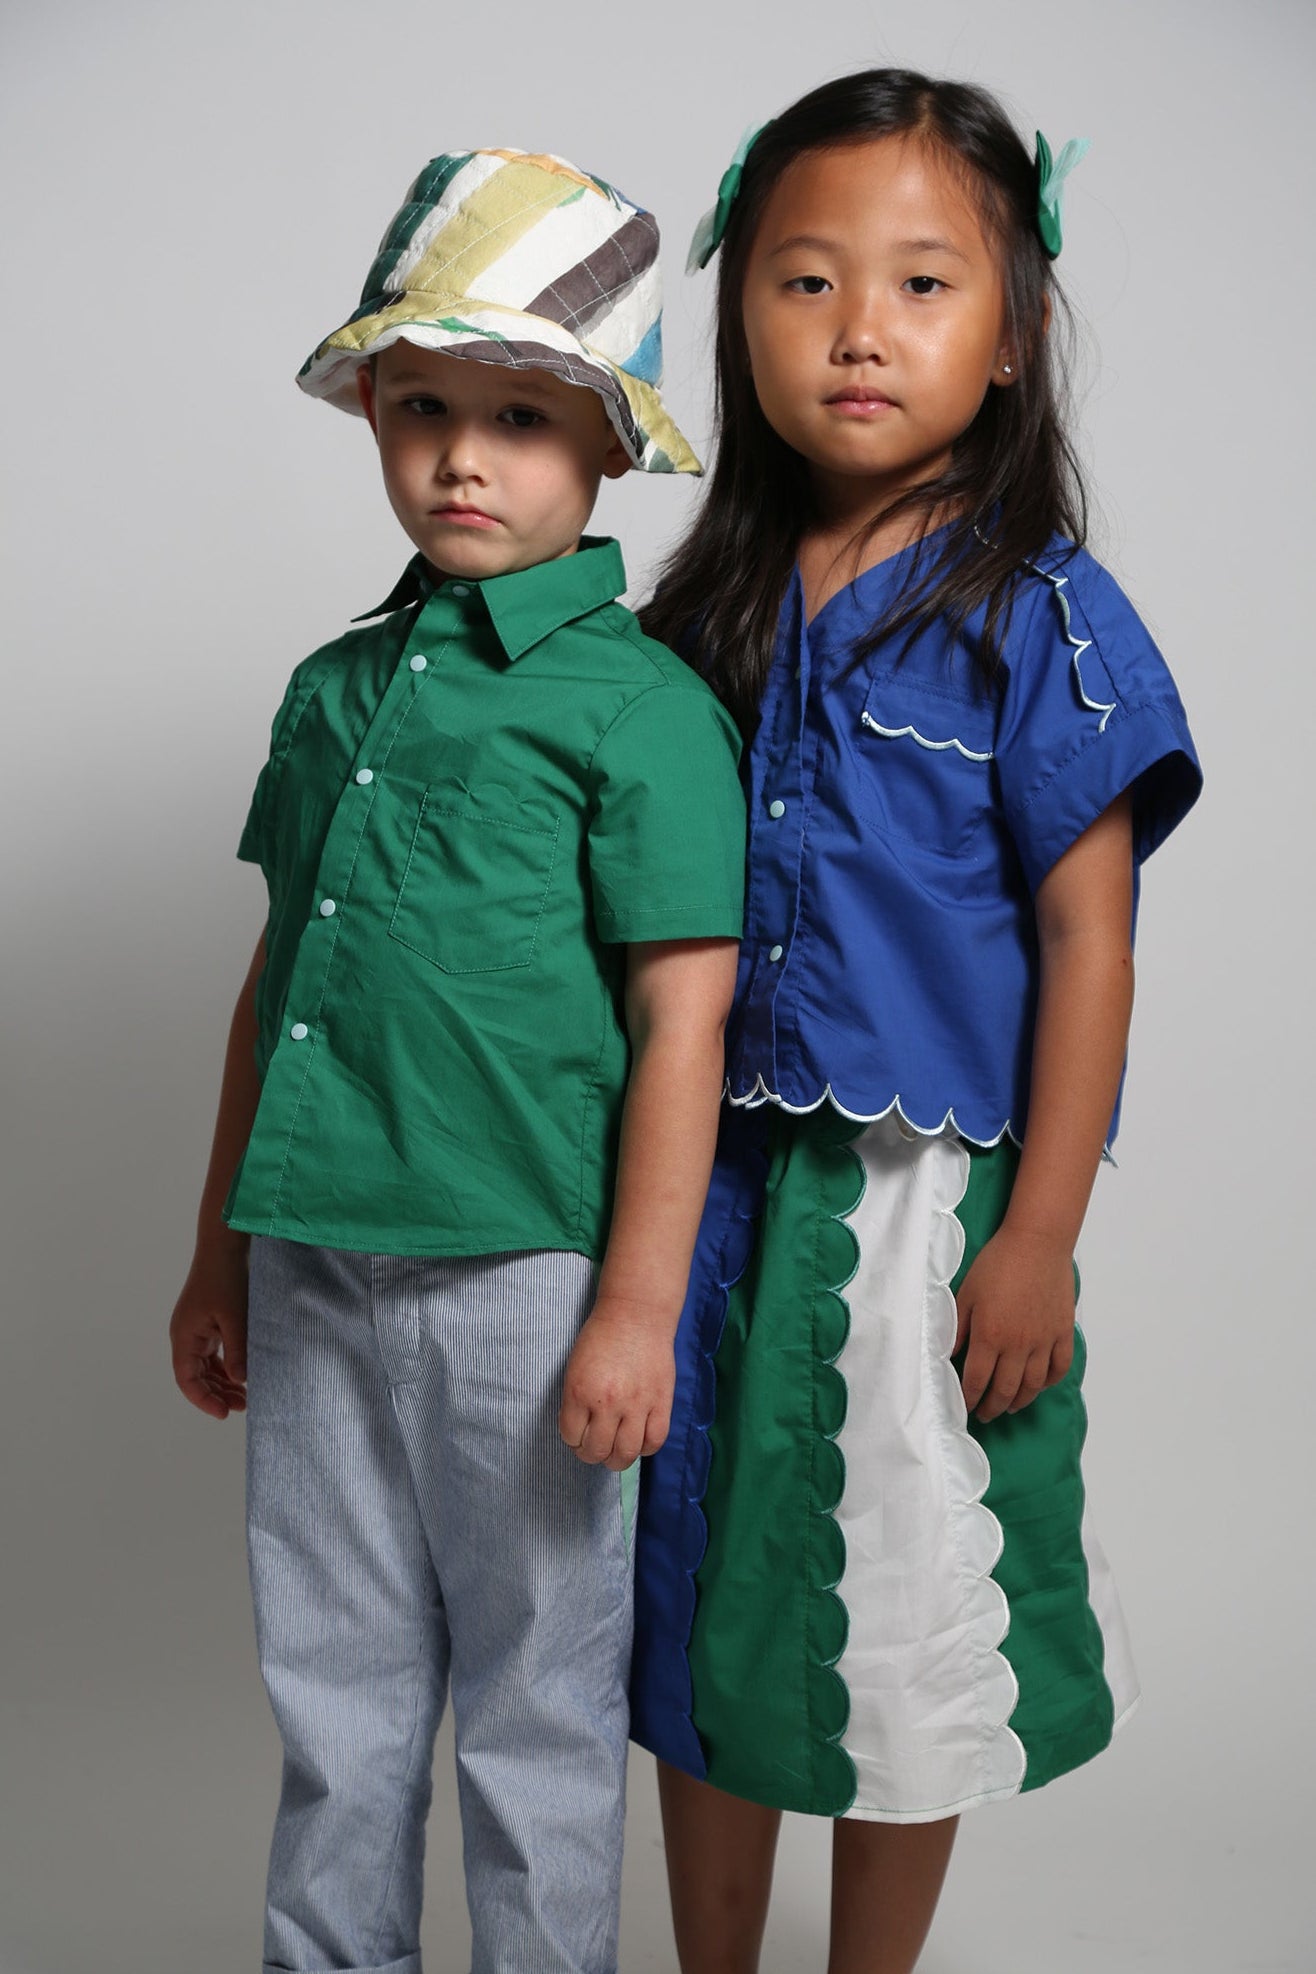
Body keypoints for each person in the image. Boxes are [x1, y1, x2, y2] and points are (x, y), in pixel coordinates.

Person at [630, 70, 1202, 1974]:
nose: (860, 326)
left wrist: (1037, 1233)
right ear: (738, 324)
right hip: (705, 1187)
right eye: (803, 281)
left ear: (1014, 334)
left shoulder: (1046, 616)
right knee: (700, 1578)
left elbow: (1090, 936)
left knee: (896, 1599)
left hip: (914, 1204)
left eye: (922, 282)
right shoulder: (695, 615)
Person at [167, 147, 746, 1974]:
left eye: (517, 413)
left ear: (606, 451)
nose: (460, 457)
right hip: (314, 1262)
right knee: (335, 1706)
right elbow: (280, 986)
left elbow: (683, 1023)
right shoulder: (338, 687)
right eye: (421, 407)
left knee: (534, 1720)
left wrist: (635, 1311)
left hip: (529, 1277)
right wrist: (216, 1251)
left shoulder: (642, 710)